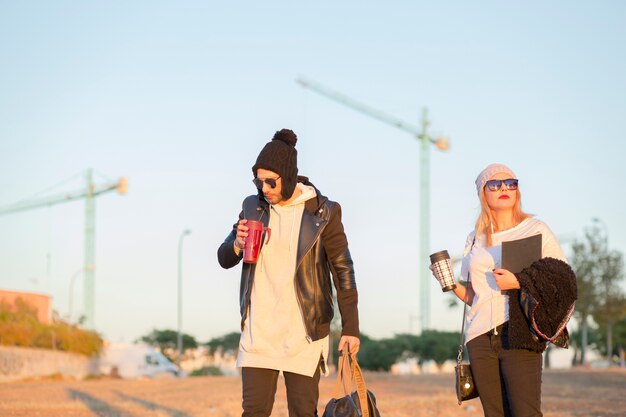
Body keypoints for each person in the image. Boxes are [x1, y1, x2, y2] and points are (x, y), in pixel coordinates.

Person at [217, 128, 360, 417]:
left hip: (304, 332)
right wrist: (237, 243)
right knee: (253, 412)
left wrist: (351, 328)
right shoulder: (252, 207)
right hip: (259, 330)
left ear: (288, 175)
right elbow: (223, 257)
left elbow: (343, 269)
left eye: (271, 181)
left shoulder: (324, 213)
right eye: (259, 181)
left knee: (303, 412)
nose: (265, 188)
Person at [439, 163, 576, 417]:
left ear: (517, 191)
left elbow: (564, 279)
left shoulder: (535, 229)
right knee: (494, 414)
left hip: (519, 331)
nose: (504, 188)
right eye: (495, 184)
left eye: (511, 183)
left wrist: (520, 281)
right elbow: (473, 295)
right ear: (483, 192)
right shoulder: (475, 238)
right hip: (479, 336)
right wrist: (450, 284)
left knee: (525, 413)